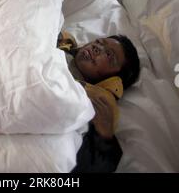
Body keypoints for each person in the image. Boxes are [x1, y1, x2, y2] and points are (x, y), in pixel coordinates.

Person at [58, 31, 140, 172]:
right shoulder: (56, 40)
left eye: (109, 55)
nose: (97, 48)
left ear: (113, 80)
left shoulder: (93, 106)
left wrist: (103, 138)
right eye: (99, 42)